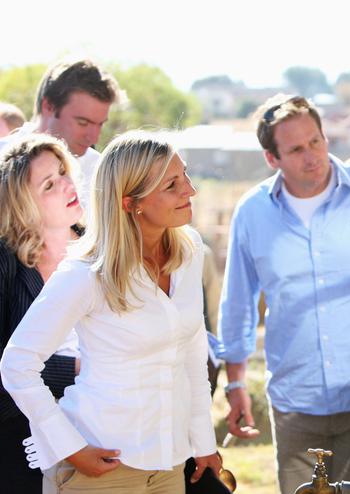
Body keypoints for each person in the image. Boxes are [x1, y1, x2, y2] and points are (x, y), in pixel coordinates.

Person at [0, 131, 220, 493]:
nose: (191, 191)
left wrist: (204, 442)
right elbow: (17, 365)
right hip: (102, 469)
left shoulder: (190, 251)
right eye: (172, 184)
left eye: (186, 177)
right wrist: (69, 447)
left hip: (170, 464)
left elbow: (192, 355)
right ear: (130, 201)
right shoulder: (86, 273)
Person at [214, 94, 350, 494]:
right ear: (271, 158)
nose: (312, 155)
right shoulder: (253, 211)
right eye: (296, 149)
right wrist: (235, 382)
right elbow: (239, 303)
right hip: (295, 403)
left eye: (316, 141)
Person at [0, 134, 83, 493]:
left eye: (64, 172)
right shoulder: (8, 264)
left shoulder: (102, 249)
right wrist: (78, 369)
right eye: (50, 184)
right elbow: (5, 364)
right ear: (24, 207)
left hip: (106, 415)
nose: (67, 184)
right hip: (23, 431)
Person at [0, 59, 119, 209]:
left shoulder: (100, 172)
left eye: (100, 124)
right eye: (83, 122)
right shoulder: (2, 157)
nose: (94, 137)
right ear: (48, 106)